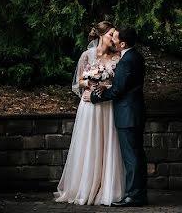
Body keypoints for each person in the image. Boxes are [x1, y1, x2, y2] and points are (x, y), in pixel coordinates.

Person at [54, 21, 125, 205]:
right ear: (101, 35)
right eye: (111, 35)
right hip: (90, 107)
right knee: (90, 144)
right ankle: (85, 187)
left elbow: (119, 85)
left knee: (108, 144)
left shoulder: (118, 57)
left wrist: (105, 84)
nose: (114, 39)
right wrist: (90, 82)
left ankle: (107, 187)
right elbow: (77, 83)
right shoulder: (87, 56)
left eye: (115, 36)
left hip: (108, 107)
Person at [91, 26, 147, 207]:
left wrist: (94, 97)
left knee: (131, 157)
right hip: (136, 111)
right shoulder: (137, 57)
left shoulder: (126, 61)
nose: (113, 40)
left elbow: (118, 89)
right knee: (138, 155)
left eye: (115, 38)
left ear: (123, 43)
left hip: (127, 114)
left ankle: (133, 196)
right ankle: (140, 194)